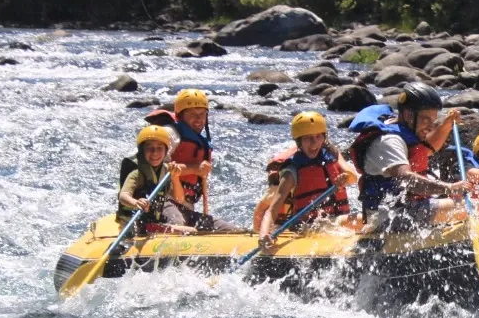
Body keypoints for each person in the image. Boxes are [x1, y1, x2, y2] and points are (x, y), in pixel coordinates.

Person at [349, 83, 470, 226]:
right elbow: (406, 178)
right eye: (426, 119)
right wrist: (448, 188)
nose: (431, 126)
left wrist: (447, 124)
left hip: (404, 208)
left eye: (433, 120)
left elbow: (427, 150)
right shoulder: (389, 141)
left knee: (465, 202)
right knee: (466, 205)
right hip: (388, 216)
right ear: (408, 115)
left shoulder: (404, 130)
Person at [256, 111, 359, 250]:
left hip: (335, 219)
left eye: (318, 137)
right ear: (299, 141)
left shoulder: (332, 154)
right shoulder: (292, 171)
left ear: (324, 138)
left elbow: (353, 177)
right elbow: (272, 210)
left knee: (367, 218)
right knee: (365, 221)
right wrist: (264, 234)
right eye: (308, 138)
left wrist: (345, 177)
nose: (314, 142)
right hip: (309, 226)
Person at [141, 88, 240, 232]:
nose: (199, 119)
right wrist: (194, 168)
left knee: (232, 230)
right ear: (181, 116)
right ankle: (153, 228)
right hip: (162, 202)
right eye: (193, 114)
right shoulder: (170, 133)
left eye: (202, 114)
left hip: (185, 207)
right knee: (179, 224)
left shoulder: (200, 142)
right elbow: (155, 165)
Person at [118, 125, 195, 234]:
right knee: (189, 230)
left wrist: (175, 177)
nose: (155, 152)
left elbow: (179, 199)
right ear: (142, 150)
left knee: (188, 228)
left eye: (160, 148)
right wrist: (136, 203)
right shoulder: (137, 174)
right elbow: (123, 196)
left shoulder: (165, 170)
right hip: (134, 221)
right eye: (149, 148)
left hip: (152, 221)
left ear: (166, 151)